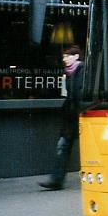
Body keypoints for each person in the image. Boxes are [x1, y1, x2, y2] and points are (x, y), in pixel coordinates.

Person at [40, 45, 85, 190]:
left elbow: (79, 95)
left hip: (82, 115)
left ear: (76, 57)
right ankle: (56, 180)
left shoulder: (82, 71)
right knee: (63, 145)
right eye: (63, 57)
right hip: (71, 116)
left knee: (72, 146)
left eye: (67, 56)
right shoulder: (69, 73)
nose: (64, 59)